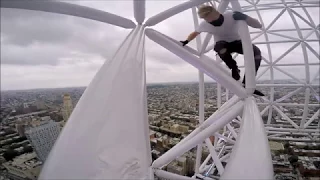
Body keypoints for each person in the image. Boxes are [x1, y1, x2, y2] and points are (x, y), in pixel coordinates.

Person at [180, 5, 264, 96]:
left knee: (256, 53)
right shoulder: (205, 24)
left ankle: (247, 83)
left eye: (212, 19)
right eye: (207, 20)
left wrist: (245, 18)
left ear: (217, 13)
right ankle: (233, 67)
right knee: (220, 48)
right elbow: (195, 33)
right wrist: (186, 41)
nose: (211, 22)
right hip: (222, 44)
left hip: (237, 42)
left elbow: (258, 25)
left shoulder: (231, 16)